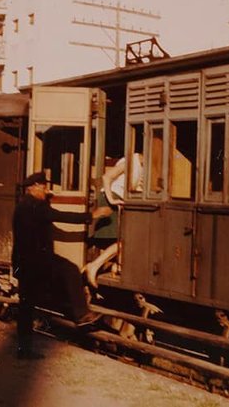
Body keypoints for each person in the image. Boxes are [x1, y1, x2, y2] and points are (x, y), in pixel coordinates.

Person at [12, 171, 112, 359]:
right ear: (33, 188)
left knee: (26, 307)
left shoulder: (23, 206)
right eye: (43, 187)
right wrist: (93, 214)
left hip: (24, 263)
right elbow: (62, 215)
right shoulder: (36, 206)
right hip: (37, 261)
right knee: (70, 269)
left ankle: (23, 350)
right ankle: (82, 315)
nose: (46, 190)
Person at [84, 153, 143, 288]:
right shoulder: (132, 161)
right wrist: (111, 200)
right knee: (123, 241)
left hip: (120, 201)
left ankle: (115, 267)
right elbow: (107, 177)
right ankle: (93, 266)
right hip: (112, 199)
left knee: (123, 240)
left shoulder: (144, 166)